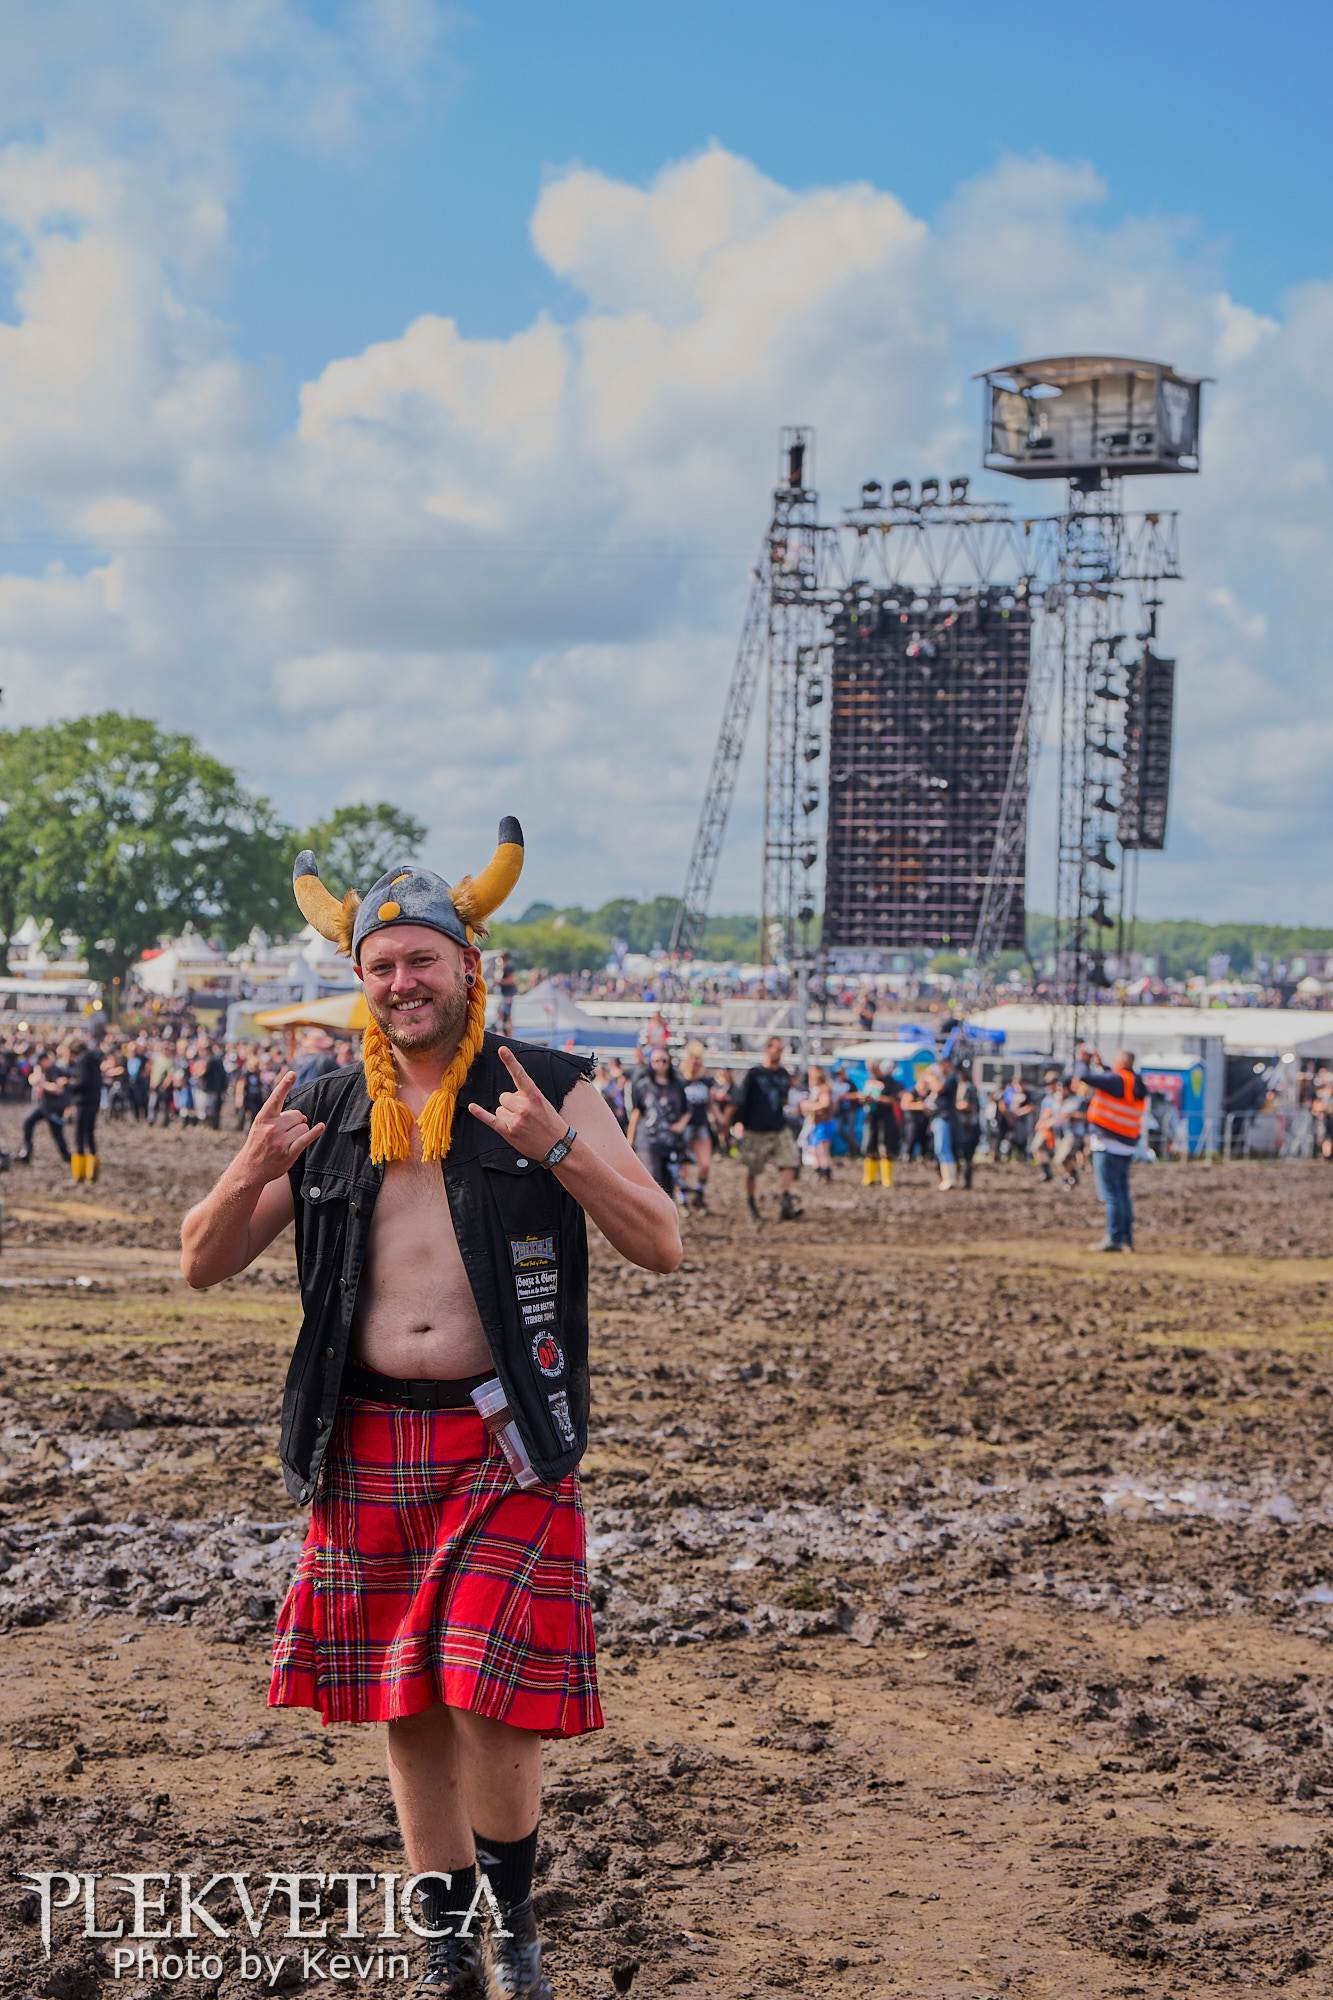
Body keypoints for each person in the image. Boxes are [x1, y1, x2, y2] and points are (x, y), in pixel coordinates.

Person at [180, 819, 681, 1998]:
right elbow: (200, 1262)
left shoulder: (545, 1084)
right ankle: (447, 1941)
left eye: (422, 959)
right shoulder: (323, 1103)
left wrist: (560, 1149)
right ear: (359, 978)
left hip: (507, 1432)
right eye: (382, 964)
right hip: (363, 1433)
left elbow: (660, 1239)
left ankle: (515, 1933)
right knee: (403, 1697)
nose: (403, 981)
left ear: (468, 963)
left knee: (484, 1692)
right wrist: (249, 1168)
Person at [1073, 1042, 1148, 1253]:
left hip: (1108, 1144)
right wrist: (1102, 1066)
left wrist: (1082, 1060)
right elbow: (1114, 1084)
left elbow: (1084, 1077)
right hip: (1127, 1145)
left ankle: (1114, 1238)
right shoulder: (1135, 1082)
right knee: (1122, 1194)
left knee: (1111, 1195)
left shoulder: (1118, 1080)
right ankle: (1126, 1238)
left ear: (1122, 1062)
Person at [727, 1035, 802, 1222]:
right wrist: (737, 1123)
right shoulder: (754, 1074)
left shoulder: (783, 1074)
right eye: (776, 1048)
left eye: (781, 1049)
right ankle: (751, 1204)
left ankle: (786, 1199)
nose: (779, 1052)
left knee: (790, 1160)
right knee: (753, 1169)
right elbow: (740, 1100)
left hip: (778, 1126)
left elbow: (785, 1100)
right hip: (755, 1129)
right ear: (767, 1049)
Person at [626, 1046, 690, 1199]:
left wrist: (681, 1125)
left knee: (668, 1186)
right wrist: (630, 1140)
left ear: (669, 1062)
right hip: (648, 1139)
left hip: (670, 1140)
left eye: (664, 1060)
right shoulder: (642, 1085)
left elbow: (687, 1110)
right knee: (653, 1180)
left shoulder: (677, 1085)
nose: (660, 1064)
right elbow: (636, 1112)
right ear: (650, 1062)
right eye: (656, 1061)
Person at [677, 1042, 717, 1210]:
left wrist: (721, 1119)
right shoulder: (679, 1082)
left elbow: (711, 1103)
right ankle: (683, 1197)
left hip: (701, 1125)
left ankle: (699, 1192)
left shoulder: (706, 1081)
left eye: (698, 1058)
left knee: (705, 1164)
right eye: (693, 1058)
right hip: (684, 1128)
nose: (695, 1062)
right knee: (683, 1164)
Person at [16, 1048, 71, 1166]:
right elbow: (32, 1079)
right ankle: (27, 1151)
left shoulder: (55, 1070)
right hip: (43, 1106)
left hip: (54, 1108)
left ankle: (67, 1156)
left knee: (57, 1134)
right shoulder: (41, 1070)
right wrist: (35, 1078)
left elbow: (58, 1089)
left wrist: (41, 1083)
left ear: (45, 1060)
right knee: (28, 1122)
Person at [65, 1036, 105, 1182]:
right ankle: (92, 1172)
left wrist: (68, 1084)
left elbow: (82, 1082)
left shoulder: (82, 1060)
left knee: (79, 1135)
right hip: (94, 1100)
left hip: (83, 1102)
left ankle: (79, 1173)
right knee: (90, 1134)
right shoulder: (93, 1059)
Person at [858, 1062, 900, 1189]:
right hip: (871, 1118)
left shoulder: (890, 1081)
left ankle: (886, 1179)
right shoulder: (869, 1081)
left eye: (873, 1068)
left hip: (885, 1119)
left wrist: (876, 1099)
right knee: (869, 1147)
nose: (872, 1071)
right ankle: (869, 1177)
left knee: (885, 1148)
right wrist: (863, 1099)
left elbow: (892, 1100)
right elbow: (862, 1097)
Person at [925, 1056, 959, 1191]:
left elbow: (938, 1088)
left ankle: (950, 1179)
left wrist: (931, 1076)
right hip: (937, 1117)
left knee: (943, 1148)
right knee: (939, 1149)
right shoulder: (943, 1078)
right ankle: (946, 1178)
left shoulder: (951, 1078)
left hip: (945, 1118)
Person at [801, 1065, 836, 1184]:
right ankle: (819, 1173)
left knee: (822, 1151)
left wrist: (810, 1106)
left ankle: (826, 1175)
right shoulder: (816, 1089)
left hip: (824, 1124)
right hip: (817, 1124)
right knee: (814, 1150)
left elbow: (825, 1104)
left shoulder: (824, 1089)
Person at [953, 1064, 982, 1189]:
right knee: (961, 1156)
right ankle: (960, 1179)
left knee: (967, 1156)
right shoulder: (960, 1086)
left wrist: (953, 1106)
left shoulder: (969, 1087)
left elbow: (970, 1106)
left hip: (968, 1127)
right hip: (963, 1126)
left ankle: (966, 1181)